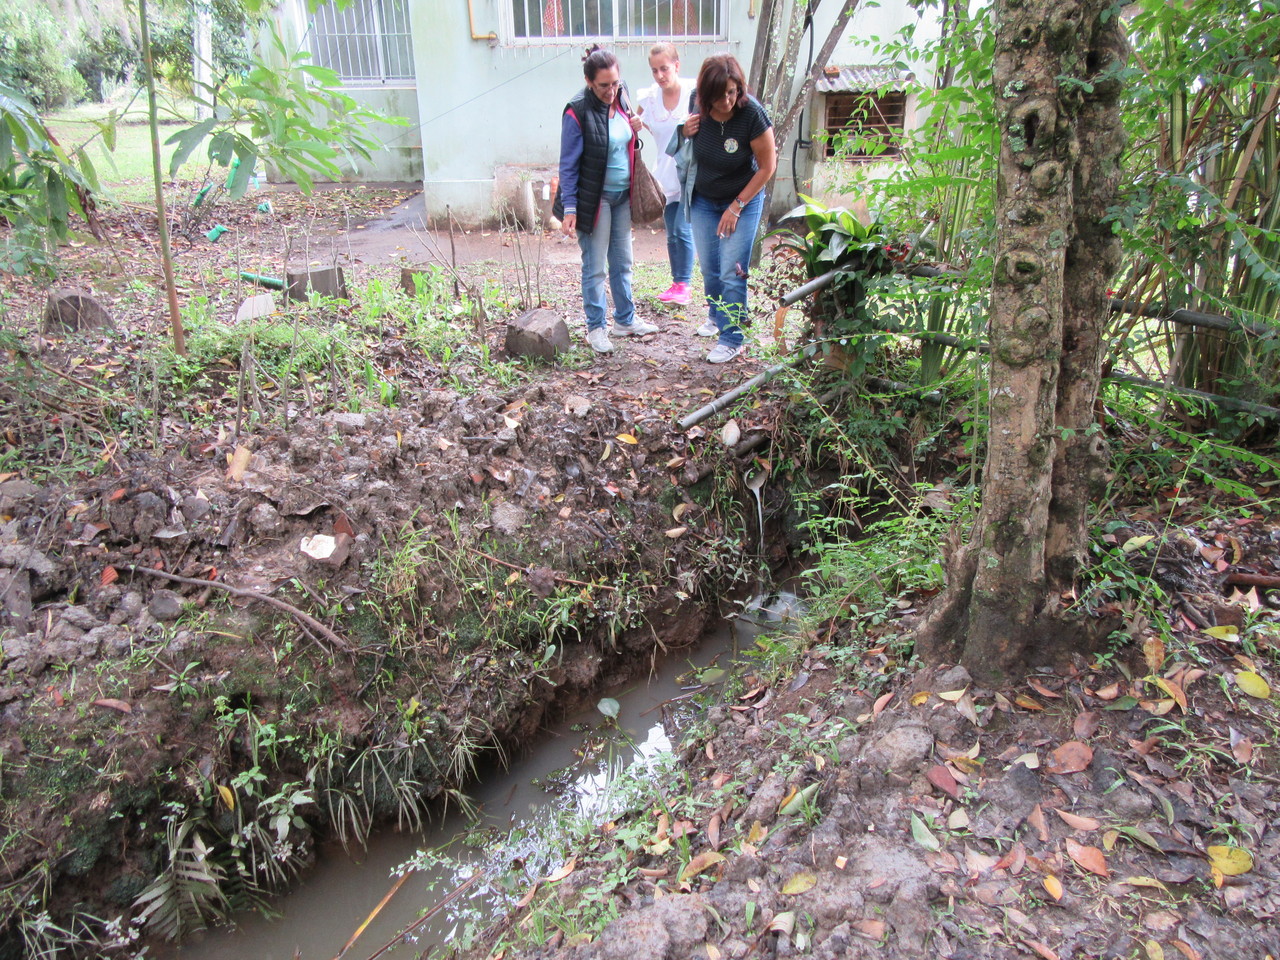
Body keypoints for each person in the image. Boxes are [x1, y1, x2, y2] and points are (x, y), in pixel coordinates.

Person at [552, 46, 660, 355]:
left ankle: (625, 320)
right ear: (589, 82)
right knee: (595, 266)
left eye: (615, 83)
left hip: (622, 196)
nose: (611, 90)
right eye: (603, 85)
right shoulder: (576, 111)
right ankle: (596, 328)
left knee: (623, 262)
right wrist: (570, 208)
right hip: (594, 199)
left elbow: (625, 140)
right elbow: (568, 165)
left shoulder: (621, 98)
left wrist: (636, 125)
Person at [683, 55, 777, 363]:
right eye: (719, 95)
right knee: (710, 269)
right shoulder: (697, 103)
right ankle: (717, 314)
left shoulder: (752, 114)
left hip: (743, 199)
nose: (726, 101)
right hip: (704, 199)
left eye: (732, 92)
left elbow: (768, 167)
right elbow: (687, 146)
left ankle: (732, 337)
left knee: (731, 270)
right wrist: (685, 131)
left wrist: (736, 207)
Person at [634, 42, 697, 308]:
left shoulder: (694, 93)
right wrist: (637, 123)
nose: (660, 75)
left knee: (682, 228)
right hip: (665, 173)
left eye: (665, 68)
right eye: (654, 70)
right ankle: (676, 283)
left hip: (691, 173)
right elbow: (635, 122)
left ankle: (685, 285)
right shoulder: (649, 98)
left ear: (676, 66)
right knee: (671, 232)